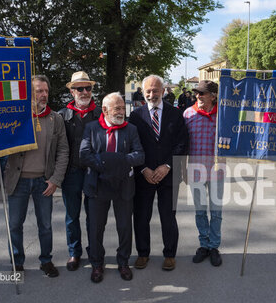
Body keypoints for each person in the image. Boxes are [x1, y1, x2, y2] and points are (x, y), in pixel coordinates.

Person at [4, 75, 69, 277]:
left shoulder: (55, 119)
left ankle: (46, 261)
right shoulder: (15, 116)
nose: (43, 95)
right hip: (18, 180)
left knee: (46, 225)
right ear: (28, 93)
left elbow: (63, 151)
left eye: (46, 91)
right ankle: (17, 262)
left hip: (44, 180)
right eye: (39, 91)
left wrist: (55, 179)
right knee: (14, 224)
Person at [79, 93, 144, 283]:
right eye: (117, 108)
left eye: (123, 108)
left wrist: (117, 162)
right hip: (97, 185)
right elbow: (84, 155)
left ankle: (123, 262)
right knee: (96, 228)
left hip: (123, 186)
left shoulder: (131, 129)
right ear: (105, 110)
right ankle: (97, 264)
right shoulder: (91, 128)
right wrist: (107, 163)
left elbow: (139, 155)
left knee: (124, 227)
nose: (122, 112)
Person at [129, 75, 189, 271]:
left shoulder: (175, 114)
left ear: (163, 91)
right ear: (143, 92)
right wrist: (143, 168)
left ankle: (170, 254)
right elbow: (131, 145)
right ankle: (143, 253)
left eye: (155, 90)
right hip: (143, 175)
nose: (151, 94)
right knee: (141, 216)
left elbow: (182, 143)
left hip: (169, 175)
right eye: (148, 91)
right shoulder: (136, 115)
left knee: (168, 217)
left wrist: (167, 166)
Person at [58, 71, 102, 271]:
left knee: (93, 215)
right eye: (79, 88)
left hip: (94, 172)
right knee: (72, 216)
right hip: (71, 172)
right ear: (71, 91)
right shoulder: (62, 116)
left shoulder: (102, 114)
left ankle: (94, 251)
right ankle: (74, 252)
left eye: (88, 88)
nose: (84, 92)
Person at [183, 80, 223, 267]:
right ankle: (204, 245)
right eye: (197, 93)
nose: (197, 96)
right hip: (195, 171)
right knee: (200, 212)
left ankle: (214, 246)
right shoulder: (188, 114)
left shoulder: (222, 115)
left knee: (215, 212)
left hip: (216, 171)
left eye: (202, 93)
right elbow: (182, 144)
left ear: (213, 96)